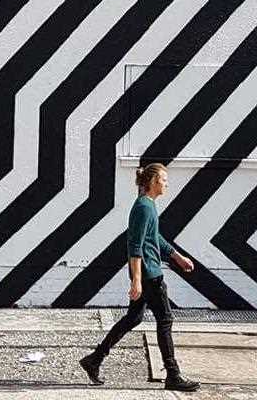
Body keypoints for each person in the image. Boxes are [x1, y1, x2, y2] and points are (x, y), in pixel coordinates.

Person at [79, 163, 201, 392]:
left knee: (133, 318)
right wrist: (136, 280)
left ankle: (94, 360)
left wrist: (177, 256)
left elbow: (155, 238)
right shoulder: (144, 207)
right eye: (164, 180)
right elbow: (134, 247)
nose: (167, 183)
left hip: (147, 273)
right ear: (154, 181)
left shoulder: (149, 205)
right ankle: (173, 375)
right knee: (165, 320)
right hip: (149, 275)